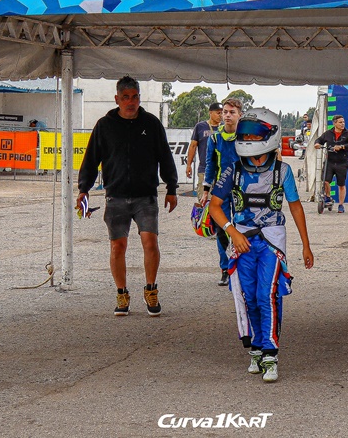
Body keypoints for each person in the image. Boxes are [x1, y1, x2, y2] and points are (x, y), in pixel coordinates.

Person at [207, 108, 314, 383]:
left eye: (255, 135)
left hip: (271, 242)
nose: (249, 139)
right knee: (249, 297)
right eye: (245, 134)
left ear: (270, 135)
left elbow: (295, 207)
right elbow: (215, 206)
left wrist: (306, 245)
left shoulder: (283, 171)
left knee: (268, 295)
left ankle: (270, 353)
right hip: (242, 242)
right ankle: (256, 347)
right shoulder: (232, 170)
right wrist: (232, 232)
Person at [78, 76, 178, 317]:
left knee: (150, 242)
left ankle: (151, 290)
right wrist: (83, 189)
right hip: (116, 197)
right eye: (125, 97)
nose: (130, 102)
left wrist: (172, 188)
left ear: (139, 98)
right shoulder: (104, 125)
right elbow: (91, 159)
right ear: (117, 99)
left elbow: (165, 156)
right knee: (117, 246)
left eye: (134, 97)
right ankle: (121, 294)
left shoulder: (152, 124)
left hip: (146, 197)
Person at [201, 98, 243, 286]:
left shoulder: (245, 137)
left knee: (242, 227)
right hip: (220, 191)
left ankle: (242, 267)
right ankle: (226, 269)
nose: (227, 115)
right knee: (222, 230)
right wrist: (205, 191)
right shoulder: (214, 138)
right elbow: (210, 165)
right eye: (225, 112)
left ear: (240, 115)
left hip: (242, 190)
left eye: (232, 112)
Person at [313, 115, 348, 213]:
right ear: (334, 123)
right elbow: (319, 140)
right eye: (340, 122)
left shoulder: (347, 133)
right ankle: (328, 197)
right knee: (325, 181)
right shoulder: (328, 133)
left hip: (342, 163)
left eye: (343, 122)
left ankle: (341, 205)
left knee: (341, 184)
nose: (342, 124)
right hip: (330, 162)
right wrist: (317, 144)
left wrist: (342, 147)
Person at [186, 103, 221, 196]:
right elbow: (193, 146)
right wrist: (189, 165)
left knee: (219, 200)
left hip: (221, 170)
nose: (220, 115)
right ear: (210, 112)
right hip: (204, 169)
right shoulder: (200, 126)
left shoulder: (224, 127)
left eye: (222, 113)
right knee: (203, 198)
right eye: (218, 113)